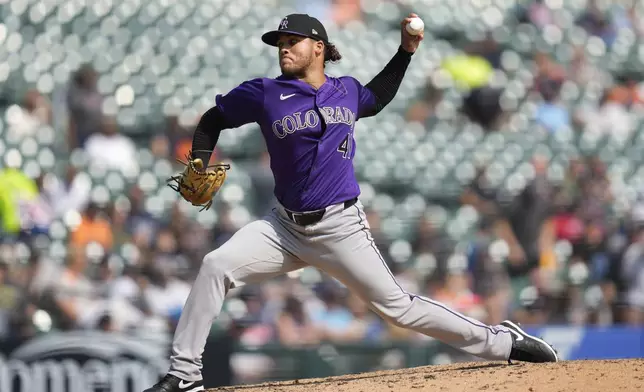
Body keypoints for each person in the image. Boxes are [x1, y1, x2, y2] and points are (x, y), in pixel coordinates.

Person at [144, 13, 558, 392]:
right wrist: (200, 158)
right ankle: (184, 374)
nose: (284, 48)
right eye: (280, 43)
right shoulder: (265, 93)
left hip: (341, 227)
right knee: (215, 265)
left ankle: (503, 342)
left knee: (399, 309)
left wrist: (405, 53)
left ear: (318, 47)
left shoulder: (346, 92)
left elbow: (379, 96)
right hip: (283, 229)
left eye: (292, 40)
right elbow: (213, 119)